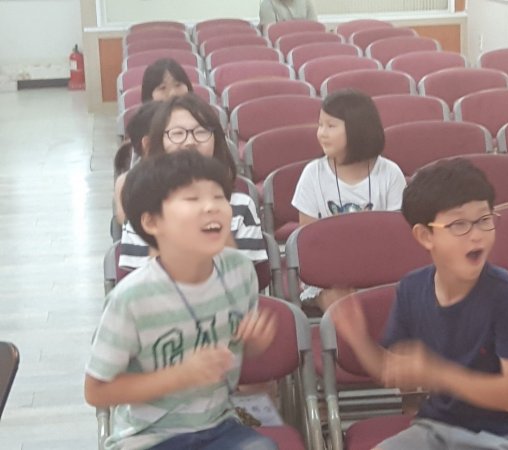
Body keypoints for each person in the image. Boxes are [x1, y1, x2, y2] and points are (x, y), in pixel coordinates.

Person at [331, 158, 508, 450]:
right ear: (425, 236)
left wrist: (439, 373)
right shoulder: (411, 288)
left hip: (507, 435)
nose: (476, 234)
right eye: (459, 224)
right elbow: (392, 372)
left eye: (484, 220)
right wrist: (359, 341)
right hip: (437, 427)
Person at [85, 150, 278, 450]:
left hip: (219, 425)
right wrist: (179, 376)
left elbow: (236, 352)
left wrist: (252, 343)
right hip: (150, 436)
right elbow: (96, 391)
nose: (211, 207)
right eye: (192, 199)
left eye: (218, 197)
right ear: (152, 222)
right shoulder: (131, 299)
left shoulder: (239, 272)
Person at [118, 93, 266, 270]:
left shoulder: (241, 207)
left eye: (201, 132)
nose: (190, 142)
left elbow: (243, 277)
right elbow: (140, 279)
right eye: (177, 133)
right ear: (159, 142)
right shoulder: (144, 209)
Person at [291, 89, 406, 310]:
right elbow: (310, 243)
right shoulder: (312, 174)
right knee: (345, 308)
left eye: (331, 126)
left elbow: (396, 238)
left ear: (357, 129)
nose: (322, 133)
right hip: (330, 277)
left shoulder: (390, 173)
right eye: (320, 125)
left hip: (381, 270)